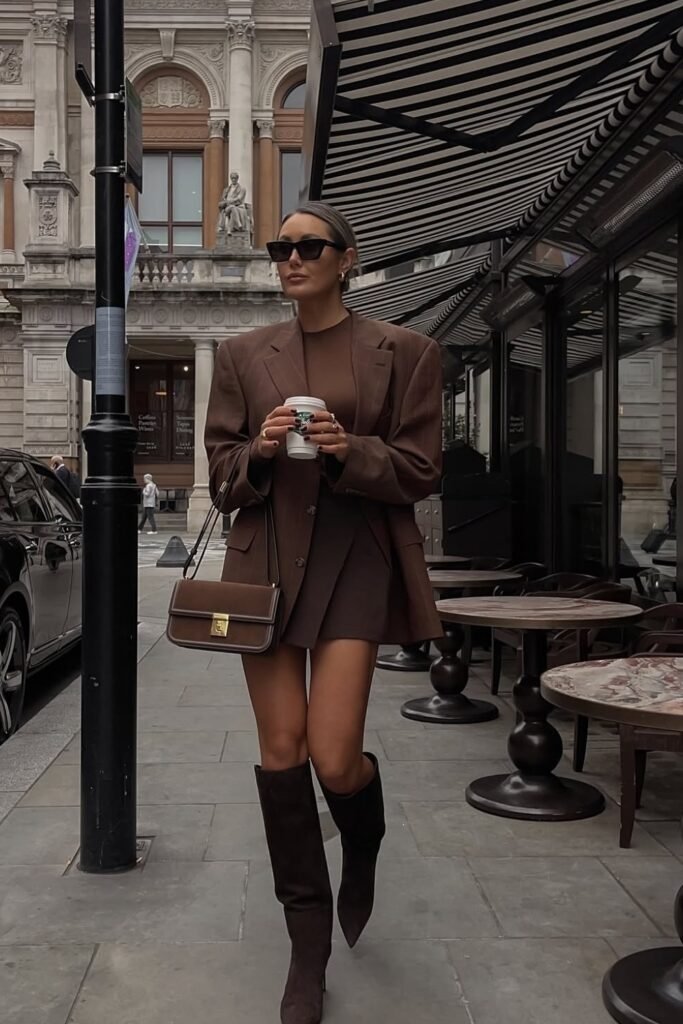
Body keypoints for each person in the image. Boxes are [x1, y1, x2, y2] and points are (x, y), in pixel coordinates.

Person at [205, 201, 442, 1024]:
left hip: (353, 561)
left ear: (347, 257)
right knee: (280, 754)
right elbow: (220, 476)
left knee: (333, 758)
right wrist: (260, 452)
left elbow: (418, 469)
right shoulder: (240, 354)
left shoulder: (405, 352)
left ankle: (362, 831)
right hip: (262, 564)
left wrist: (351, 450)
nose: (291, 258)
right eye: (282, 247)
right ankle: (307, 946)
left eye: (308, 246)